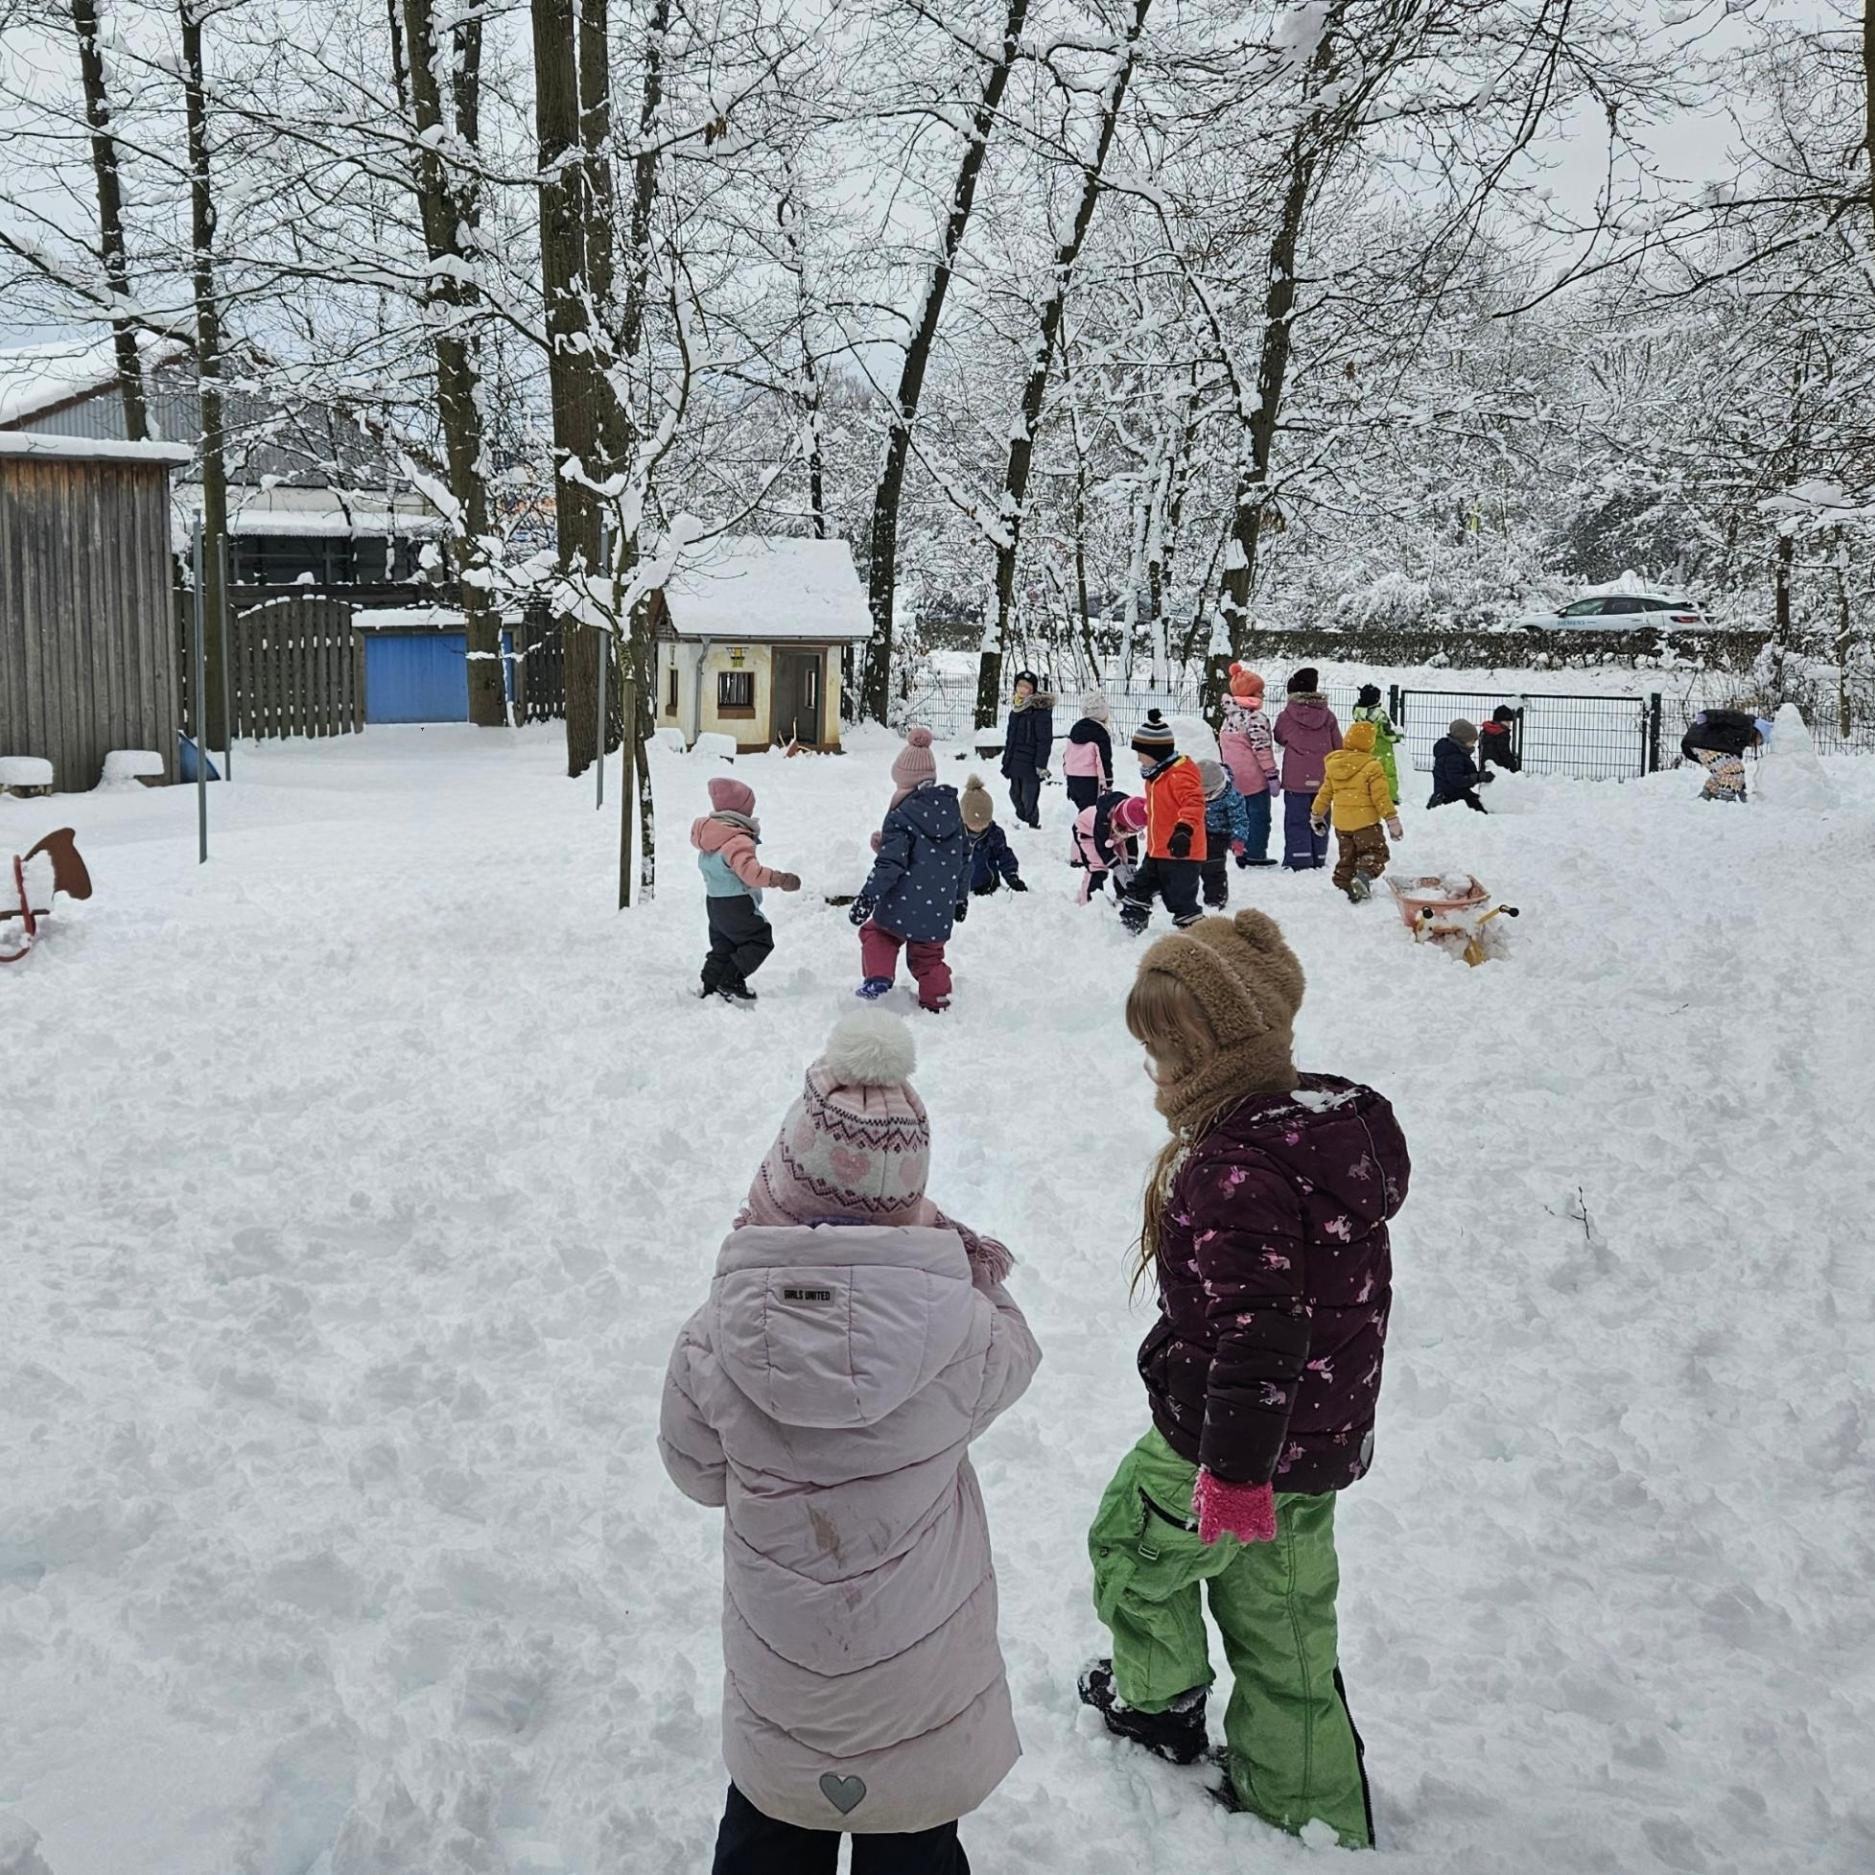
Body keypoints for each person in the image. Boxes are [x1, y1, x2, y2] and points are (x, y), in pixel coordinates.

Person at [661, 1008, 1041, 1875]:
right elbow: (1017, 1358)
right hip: (918, 1688)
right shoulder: (963, 1331)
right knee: (911, 1839)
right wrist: (955, 1259)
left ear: (781, 1183)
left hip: (784, 1675)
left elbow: (693, 1469)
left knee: (769, 1830)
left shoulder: (717, 1332)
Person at [1078, 911, 1409, 1849]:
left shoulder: (1233, 1171)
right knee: (1286, 1621)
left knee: (1133, 1547)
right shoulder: (1326, 1137)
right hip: (1314, 1443)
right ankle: (1303, 1800)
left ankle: (1157, 1701)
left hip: (1225, 1443)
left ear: (1215, 1051)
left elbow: (1259, 1336)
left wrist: (1228, 1475)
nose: (1157, 1071)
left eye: (1167, 1051)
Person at [851, 728, 970, 1011]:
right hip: (938, 903)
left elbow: (891, 864)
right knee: (928, 956)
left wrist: (869, 896)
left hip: (902, 900)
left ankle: (879, 977)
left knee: (878, 934)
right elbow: (964, 858)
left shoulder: (901, 816)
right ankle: (938, 996)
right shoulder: (953, 815)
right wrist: (960, 898)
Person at [691, 777, 802, 1004]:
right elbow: (750, 873)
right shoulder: (737, 839)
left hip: (714, 903)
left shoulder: (712, 838)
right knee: (760, 939)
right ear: (743, 811)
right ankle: (731, 979)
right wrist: (779, 879)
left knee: (724, 944)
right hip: (737, 903)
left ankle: (711, 982)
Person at [1120, 711, 1207, 934]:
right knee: (1138, 889)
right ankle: (1130, 930)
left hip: (1182, 852)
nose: (1139, 758)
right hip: (1157, 850)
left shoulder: (1180, 774)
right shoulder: (1156, 775)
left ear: (1156, 753)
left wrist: (1184, 830)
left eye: (1142, 753)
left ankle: (1197, 935)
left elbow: (1194, 803)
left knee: (1181, 901)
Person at [1310, 721, 1404, 902]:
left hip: (1342, 825)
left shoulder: (1334, 765)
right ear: (1370, 744)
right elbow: (1381, 797)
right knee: (1375, 852)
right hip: (1366, 824)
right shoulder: (1372, 766)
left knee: (1348, 856)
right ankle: (1363, 876)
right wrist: (1392, 820)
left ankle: (1343, 885)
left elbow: (1325, 793)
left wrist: (1316, 815)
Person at [1273, 670, 1341, 870]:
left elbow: (1279, 737)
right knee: (1320, 817)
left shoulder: (1287, 716)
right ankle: (1319, 855)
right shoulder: (1328, 716)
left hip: (1296, 778)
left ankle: (1298, 857)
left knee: (1296, 819)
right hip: (1322, 778)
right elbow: (1339, 745)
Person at [1218, 665, 1280, 867]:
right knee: (1259, 817)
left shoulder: (1228, 718)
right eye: (1259, 690)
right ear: (1250, 694)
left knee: (1239, 817)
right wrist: (1271, 774)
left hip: (1234, 778)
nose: (1262, 694)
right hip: (1255, 779)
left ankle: (1239, 849)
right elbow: (1262, 748)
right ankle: (1255, 853)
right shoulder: (1255, 717)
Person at [1001, 671, 1054, 829]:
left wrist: (1041, 764)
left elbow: (1044, 741)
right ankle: (1021, 822)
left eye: (1027, 687)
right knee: (1014, 794)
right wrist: (1006, 760)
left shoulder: (1039, 712)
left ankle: (1031, 825)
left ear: (1033, 690)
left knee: (1028, 797)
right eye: (1020, 686)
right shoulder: (1015, 710)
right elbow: (1010, 739)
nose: (1022, 690)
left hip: (1031, 763)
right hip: (1015, 760)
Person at [1680, 708, 1768, 802]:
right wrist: (1706, 715)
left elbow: (1738, 771)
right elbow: (1725, 715)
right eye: (1761, 741)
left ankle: (1706, 796)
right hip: (1703, 740)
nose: (1758, 745)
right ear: (1758, 732)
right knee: (1731, 770)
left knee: (1728, 769)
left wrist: (1741, 791)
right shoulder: (1745, 722)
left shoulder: (1741, 740)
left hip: (1705, 743)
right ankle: (1726, 799)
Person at [960, 774, 1028, 896]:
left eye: (984, 823)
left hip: (988, 885)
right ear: (964, 819)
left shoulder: (994, 835)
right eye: (974, 824)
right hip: (959, 888)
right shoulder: (956, 836)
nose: (980, 827)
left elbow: (1004, 856)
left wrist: (1012, 877)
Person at [1196, 761, 1251, 910]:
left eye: (1209, 794)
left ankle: (1216, 899)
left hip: (1219, 835)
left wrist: (1238, 843)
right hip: (1197, 832)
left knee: (1213, 866)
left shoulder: (1232, 796)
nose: (1206, 797)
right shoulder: (1192, 794)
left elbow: (1239, 820)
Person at [1074, 791, 1142, 904]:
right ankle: (1090, 901)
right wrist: (1116, 866)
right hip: (1088, 832)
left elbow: (1130, 842)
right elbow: (1102, 847)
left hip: (1114, 835)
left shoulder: (1130, 818)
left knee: (1124, 866)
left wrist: (1131, 862)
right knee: (1098, 867)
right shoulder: (1103, 818)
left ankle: (1125, 896)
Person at [1063, 690, 1114, 818]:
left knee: (1083, 809)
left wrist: (1067, 774)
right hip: (1089, 780)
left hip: (1072, 777)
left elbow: (1067, 754)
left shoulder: (1075, 729)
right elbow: (1103, 760)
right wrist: (1108, 782)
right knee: (1090, 812)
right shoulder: (1100, 733)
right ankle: (1085, 834)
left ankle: (1083, 831)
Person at [1348, 685, 1401, 805]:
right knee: (1387, 773)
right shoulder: (1380, 715)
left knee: (1366, 773)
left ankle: (1366, 794)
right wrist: (1397, 737)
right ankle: (1390, 796)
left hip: (1364, 747)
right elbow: (1387, 734)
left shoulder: (1357, 711)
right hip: (1381, 748)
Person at [1427, 719, 1490, 812]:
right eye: (1472, 741)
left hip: (1457, 793)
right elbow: (1457, 780)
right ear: (1463, 740)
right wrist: (1478, 777)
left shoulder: (1457, 752)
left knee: (1483, 804)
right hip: (1450, 797)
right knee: (1482, 810)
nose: (1474, 744)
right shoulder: (1453, 756)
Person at [1478, 705, 1522, 776]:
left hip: (1485, 768)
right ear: (1499, 721)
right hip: (1499, 770)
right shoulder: (1502, 734)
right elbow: (1505, 753)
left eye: (1509, 722)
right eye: (1506, 721)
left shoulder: (1485, 731)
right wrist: (1514, 768)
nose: (1509, 724)